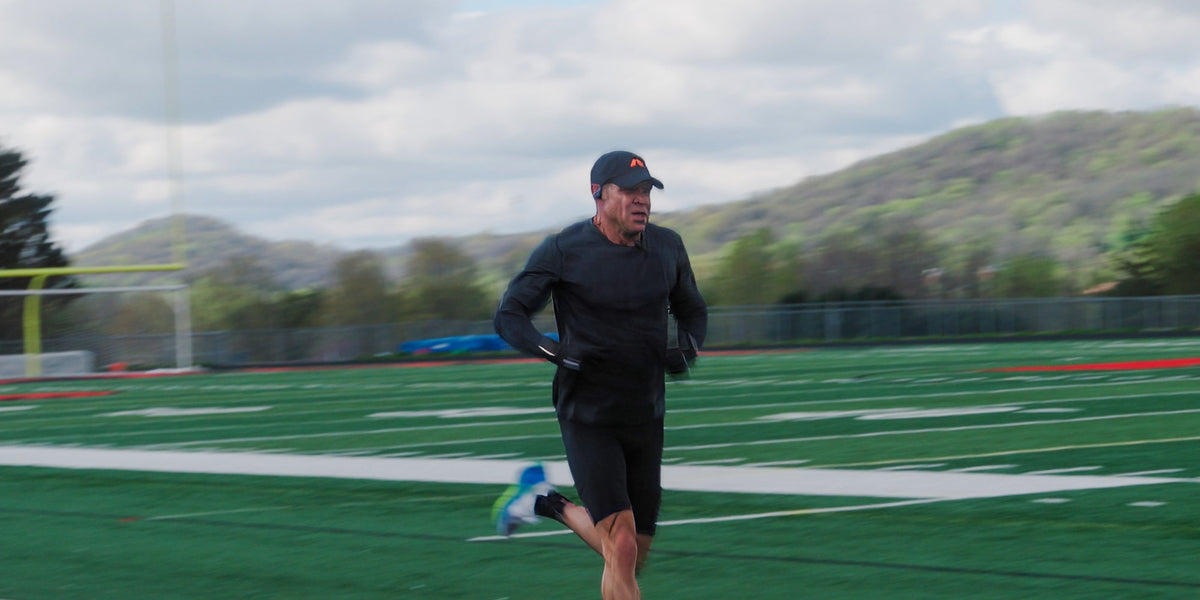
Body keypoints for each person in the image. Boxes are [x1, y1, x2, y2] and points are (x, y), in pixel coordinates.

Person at [491, 150, 708, 599]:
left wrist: (686, 350)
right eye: (630, 191)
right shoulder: (564, 250)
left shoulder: (668, 247)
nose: (642, 200)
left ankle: (542, 501)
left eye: (647, 191)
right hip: (588, 414)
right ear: (599, 195)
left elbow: (693, 309)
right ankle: (542, 500)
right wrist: (554, 350)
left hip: (645, 414)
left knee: (631, 554)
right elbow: (509, 315)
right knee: (623, 546)